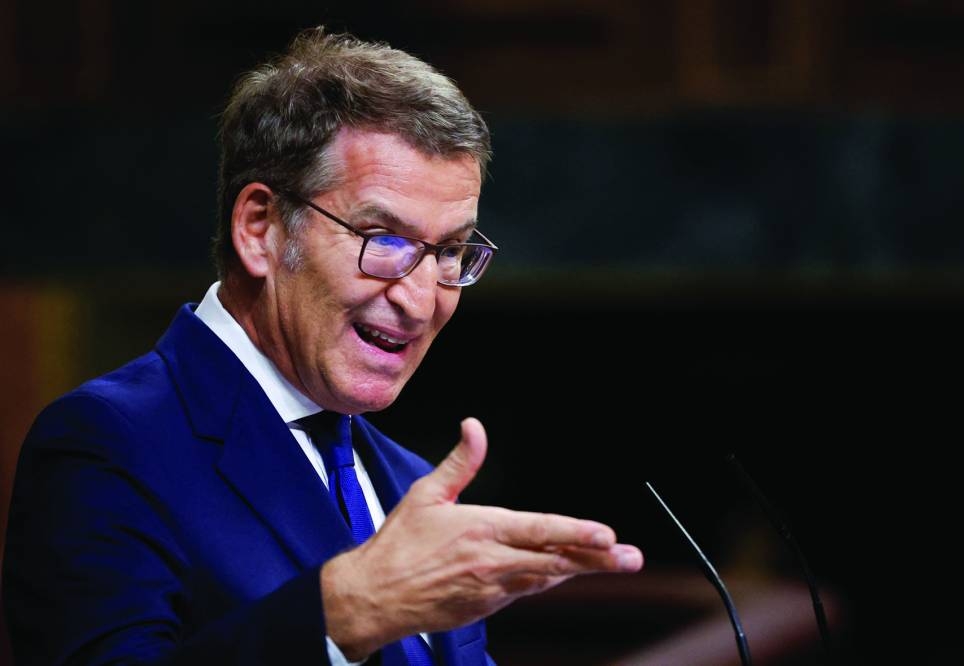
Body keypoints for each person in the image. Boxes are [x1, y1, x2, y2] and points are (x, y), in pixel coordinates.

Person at [2, 27, 643, 665]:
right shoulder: (108, 443)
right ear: (262, 230)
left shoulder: (410, 482)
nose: (421, 301)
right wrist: (346, 612)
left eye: (449, 251)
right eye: (382, 238)